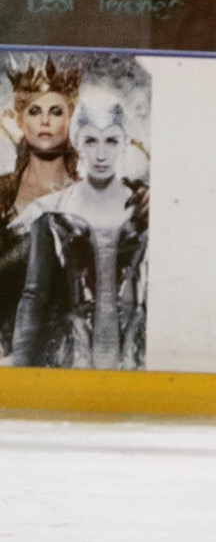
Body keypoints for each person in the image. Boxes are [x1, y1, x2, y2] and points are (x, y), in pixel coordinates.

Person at [11, 88, 147, 370]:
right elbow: (34, 295)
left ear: (124, 142)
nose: (100, 154)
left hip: (135, 360)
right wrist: (21, 368)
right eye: (91, 140)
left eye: (111, 140)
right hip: (72, 359)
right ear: (77, 141)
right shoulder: (51, 211)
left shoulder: (144, 210)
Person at [0, 56, 81, 360]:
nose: (45, 121)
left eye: (55, 111)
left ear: (70, 119)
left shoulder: (88, 195)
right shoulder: (2, 192)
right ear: (20, 121)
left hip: (66, 353)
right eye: (35, 111)